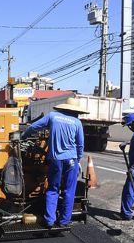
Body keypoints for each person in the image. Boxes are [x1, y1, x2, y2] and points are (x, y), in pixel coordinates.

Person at [21, 97, 88, 228]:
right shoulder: (77, 122)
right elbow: (80, 144)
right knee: (69, 190)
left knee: (53, 189)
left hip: (56, 160)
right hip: (71, 160)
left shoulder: (53, 116)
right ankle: (63, 221)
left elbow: (34, 126)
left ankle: (49, 220)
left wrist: (24, 136)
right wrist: (78, 158)